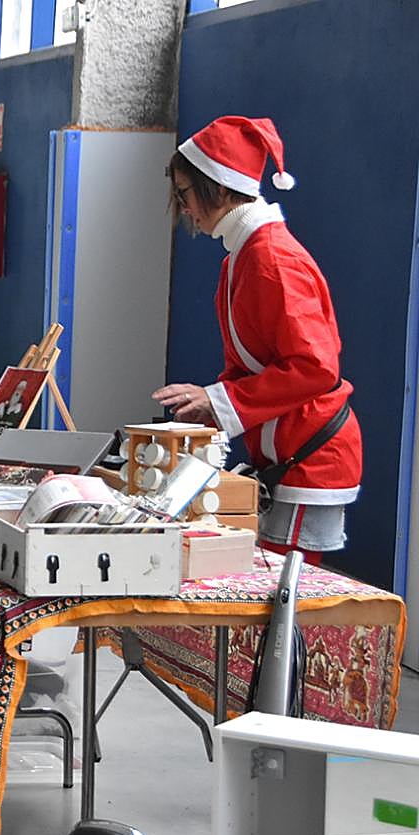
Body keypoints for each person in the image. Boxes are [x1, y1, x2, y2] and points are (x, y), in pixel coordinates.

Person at [152, 116, 361, 566]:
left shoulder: (272, 259)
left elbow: (315, 367)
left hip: (311, 455)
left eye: (185, 194)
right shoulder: (244, 257)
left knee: (284, 601)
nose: (183, 208)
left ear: (222, 190)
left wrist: (218, 399)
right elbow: (252, 369)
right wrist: (210, 402)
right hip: (286, 453)